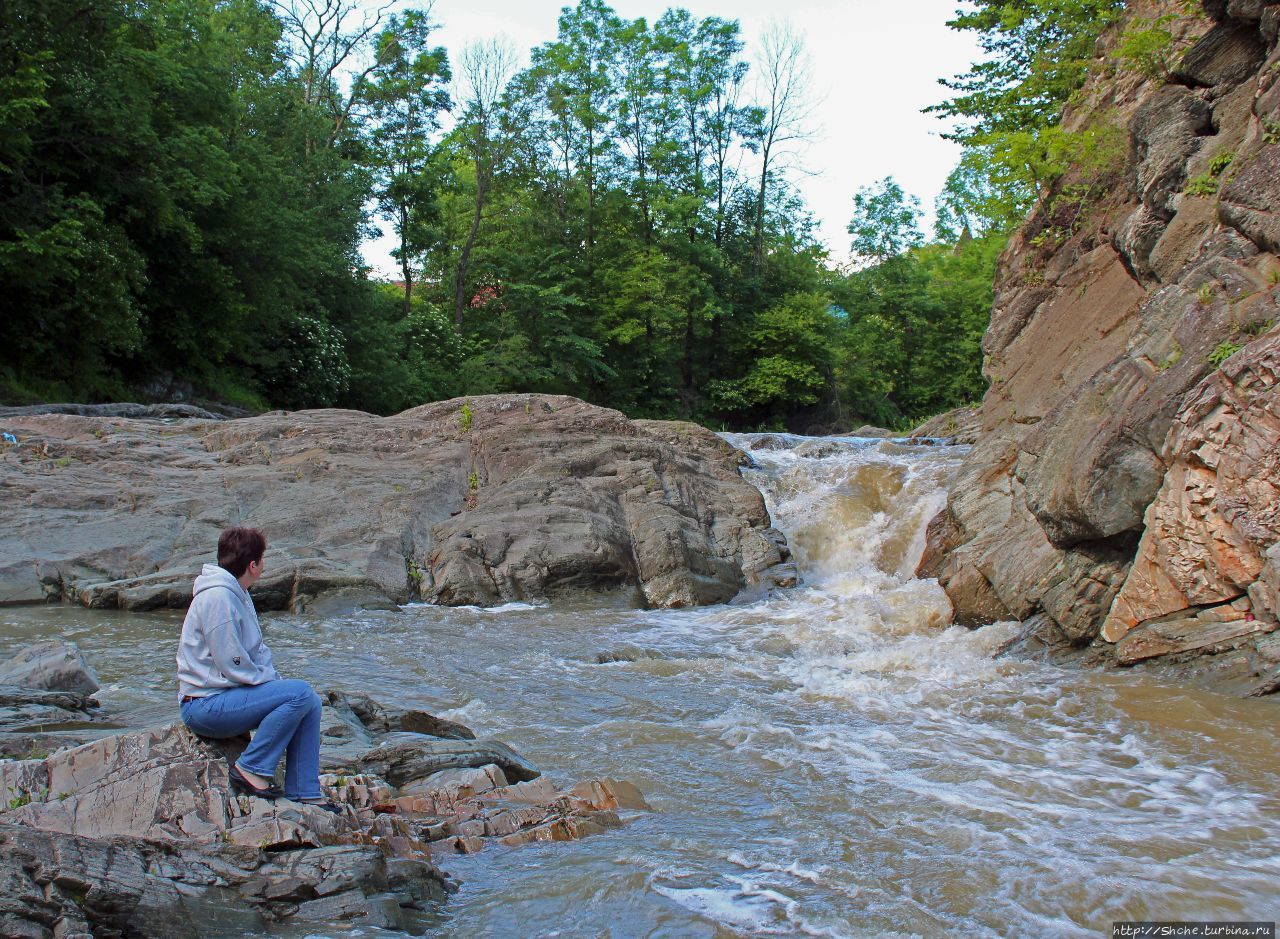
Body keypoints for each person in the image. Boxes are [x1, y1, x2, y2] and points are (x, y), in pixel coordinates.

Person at [176, 527, 335, 810]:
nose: (264, 565)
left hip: (225, 698)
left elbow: (256, 654)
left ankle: (305, 793)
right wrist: (275, 687)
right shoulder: (218, 599)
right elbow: (233, 664)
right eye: (262, 559)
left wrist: (276, 683)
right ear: (252, 565)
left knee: (309, 700)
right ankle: (252, 768)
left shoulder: (238, 594)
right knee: (299, 693)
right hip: (203, 705)